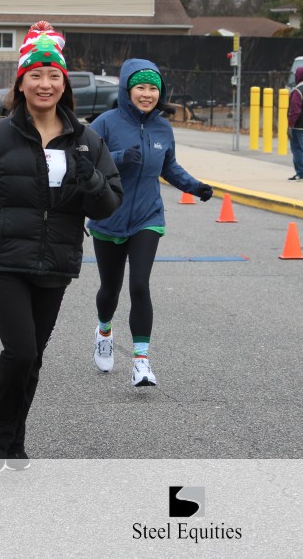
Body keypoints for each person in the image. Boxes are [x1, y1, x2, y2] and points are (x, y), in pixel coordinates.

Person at [0, 21, 122, 472]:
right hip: (7, 259)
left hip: (57, 262)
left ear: (64, 85)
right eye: (36, 75)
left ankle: (16, 441)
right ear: (21, 83)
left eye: (54, 76)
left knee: (34, 358)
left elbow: (107, 205)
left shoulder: (86, 141)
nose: (45, 84)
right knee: (20, 351)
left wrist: (92, 179)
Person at [87, 59, 213, 387]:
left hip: (148, 218)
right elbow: (83, 162)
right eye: (140, 87)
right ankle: (104, 331)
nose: (147, 94)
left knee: (140, 285)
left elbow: (169, 167)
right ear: (127, 90)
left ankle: (141, 362)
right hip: (108, 217)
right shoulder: (105, 123)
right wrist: (117, 158)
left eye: (153, 88)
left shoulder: (162, 128)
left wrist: (195, 186)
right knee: (110, 290)